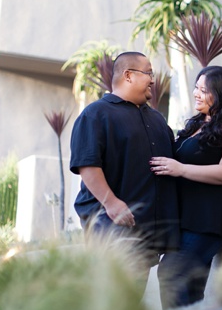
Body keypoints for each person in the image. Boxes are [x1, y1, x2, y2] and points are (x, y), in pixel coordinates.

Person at [69, 51, 180, 280]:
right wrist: (112, 204)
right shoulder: (96, 114)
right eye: (148, 72)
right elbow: (87, 165)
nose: (153, 79)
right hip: (110, 227)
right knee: (112, 302)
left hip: (146, 232)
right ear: (128, 75)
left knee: (130, 304)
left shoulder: (157, 119)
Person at [151, 65, 222, 309]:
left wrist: (181, 169)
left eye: (203, 90)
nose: (196, 93)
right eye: (196, 87)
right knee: (189, 288)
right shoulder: (197, 124)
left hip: (212, 218)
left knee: (171, 274)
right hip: (187, 219)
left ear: (220, 94)